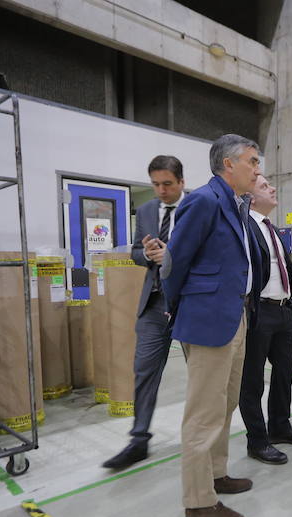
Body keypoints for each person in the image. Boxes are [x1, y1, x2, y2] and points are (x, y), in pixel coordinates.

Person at [161, 133, 261, 517]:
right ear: (228, 165)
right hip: (206, 320)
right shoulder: (204, 201)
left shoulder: (236, 204)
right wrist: (179, 309)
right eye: (252, 161)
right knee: (203, 413)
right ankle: (198, 502)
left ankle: (216, 474)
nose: (257, 169)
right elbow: (173, 263)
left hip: (234, 314)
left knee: (226, 402)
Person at [103, 155, 184, 470]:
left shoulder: (197, 208)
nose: (161, 191)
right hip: (154, 302)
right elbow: (137, 250)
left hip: (189, 302)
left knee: (204, 375)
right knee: (144, 370)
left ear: (181, 182)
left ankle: (206, 440)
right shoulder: (148, 210)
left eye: (167, 184)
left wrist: (171, 255)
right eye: (155, 185)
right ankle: (139, 439)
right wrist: (148, 254)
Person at [239, 175, 292, 466]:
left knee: (285, 372)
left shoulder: (272, 228)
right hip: (259, 310)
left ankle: (280, 426)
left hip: (283, 310)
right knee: (252, 379)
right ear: (251, 197)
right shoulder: (245, 226)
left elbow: (285, 265)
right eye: (265, 186)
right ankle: (257, 441)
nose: (272, 188)